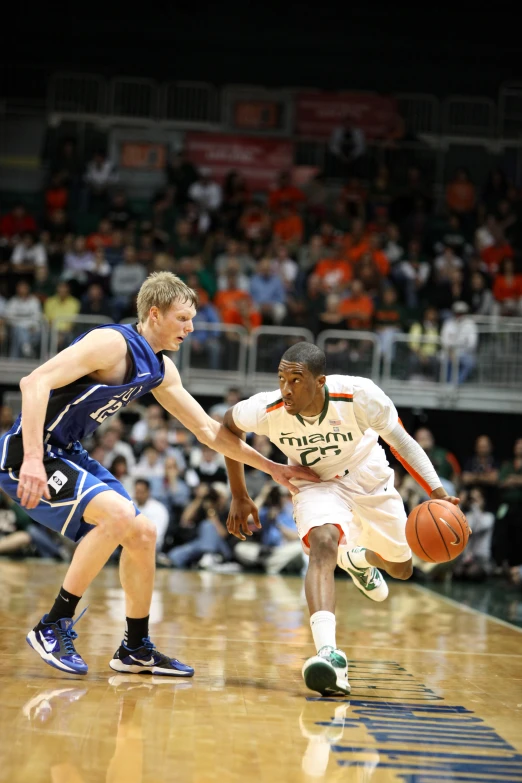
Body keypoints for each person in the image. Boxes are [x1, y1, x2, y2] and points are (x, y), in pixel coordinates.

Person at [0, 272, 317, 678]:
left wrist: (273, 468)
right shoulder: (110, 343)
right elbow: (34, 382)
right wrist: (29, 458)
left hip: (68, 453)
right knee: (117, 515)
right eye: (183, 318)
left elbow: (208, 431)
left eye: (192, 319)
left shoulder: (160, 370)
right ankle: (52, 624)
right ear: (154, 313)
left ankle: (134, 647)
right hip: (31, 452)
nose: (191, 327)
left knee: (143, 533)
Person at [222, 342, 459, 696]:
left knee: (402, 568)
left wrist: (439, 495)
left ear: (320, 382)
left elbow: (402, 444)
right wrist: (239, 494)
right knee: (322, 543)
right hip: (315, 482)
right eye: (282, 378)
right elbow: (227, 428)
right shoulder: (268, 408)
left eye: (296, 380)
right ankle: (328, 654)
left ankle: (357, 559)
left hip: (368, 474)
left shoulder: (359, 396)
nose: (286, 388)